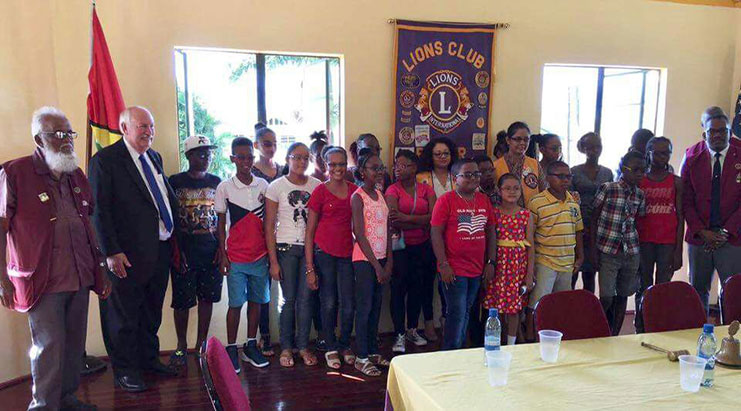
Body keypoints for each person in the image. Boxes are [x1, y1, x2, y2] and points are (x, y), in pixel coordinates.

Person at [0, 106, 111, 410]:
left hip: (79, 273)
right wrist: (2, 280)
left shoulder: (76, 175)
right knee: (48, 347)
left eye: (69, 133)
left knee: (74, 344)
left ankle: (67, 398)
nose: (67, 140)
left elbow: (90, 223)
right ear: (39, 139)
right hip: (43, 280)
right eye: (57, 134)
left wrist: (100, 268)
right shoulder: (14, 173)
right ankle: (44, 406)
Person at [89, 106, 180, 392]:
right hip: (125, 254)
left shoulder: (154, 157)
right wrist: (111, 251)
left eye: (151, 127)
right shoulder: (105, 160)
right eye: (142, 126)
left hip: (159, 249)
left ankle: (148, 359)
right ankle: (125, 370)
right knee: (123, 315)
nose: (148, 132)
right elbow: (99, 210)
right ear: (124, 127)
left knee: (151, 311)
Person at [216, 137, 270, 373]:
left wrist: (269, 252)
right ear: (232, 159)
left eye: (249, 156)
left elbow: (269, 221)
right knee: (236, 303)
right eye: (241, 157)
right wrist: (223, 254)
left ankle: (250, 346)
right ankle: (231, 347)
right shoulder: (224, 187)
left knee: (256, 301)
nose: (246, 161)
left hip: (260, 255)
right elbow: (219, 224)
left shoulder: (263, 185)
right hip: (236, 257)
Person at [167, 135, 222, 370]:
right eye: (201, 153)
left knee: (206, 298)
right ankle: (181, 345)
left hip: (210, 249)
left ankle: (201, 345)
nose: (206, 158)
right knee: (182, 301)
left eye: (209, 153)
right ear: (188, 156)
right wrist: (176, 250)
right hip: (183, 250)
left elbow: (221, 218)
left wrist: (222, 247)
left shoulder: (217, 181)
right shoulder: (175, 181)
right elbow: (169, 218)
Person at [265, 142, 321, 367]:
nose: (301, 162)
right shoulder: (276, 186)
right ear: (287, 159)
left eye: (306, 158)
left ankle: (303, 346)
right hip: (286, 249)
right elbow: (269, 226)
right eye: (296, 157)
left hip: (309, 249)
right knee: (287, 300)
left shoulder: (317, 185)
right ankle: (286, 347)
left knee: (306, 300)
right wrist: (273, 261)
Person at [431, 159, 497, 350]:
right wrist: (443, 264)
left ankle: (458, 352)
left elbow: (491, 231)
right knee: (457, 313)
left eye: (476, 174)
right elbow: (435, 232)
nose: (473, 178)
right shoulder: (446, 200)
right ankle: (450, 355)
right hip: (453, 269)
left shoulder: (484, 200)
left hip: (477, 269)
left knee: (466, 311)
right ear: (455, 178)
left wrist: (491, 262)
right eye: (467, 174)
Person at [682, 106, 741, 313]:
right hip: (700, 238)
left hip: (732, 237)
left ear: (729, 132)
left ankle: (732, 337)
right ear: (704, 133)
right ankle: (698, 335)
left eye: (722, 131)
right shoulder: (691, 156)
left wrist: (726, 231)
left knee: (733, 291)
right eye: (712, 132)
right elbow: (686, 199)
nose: (717, 135)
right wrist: (702, 231)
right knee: (698, 291)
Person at [305, 146, 358, 369]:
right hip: (324, 254)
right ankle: (330, 347)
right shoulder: (320, 191)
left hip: (348, 254)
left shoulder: (355, 190)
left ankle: (344, 344)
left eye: (341, 164)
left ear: (347, 165)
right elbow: (310, 231)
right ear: (326, 166)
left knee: (348, 303)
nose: (337, 168)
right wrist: (310, 267)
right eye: (333, 164)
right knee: (328, 303)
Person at [525, 161, 584, 340]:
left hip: (567, 262)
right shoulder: (536, 202)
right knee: (537, 302)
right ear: (549, 178)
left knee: (560, 303)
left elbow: (578, 230)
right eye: (560, 176)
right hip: (545, 261)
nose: (565, 180)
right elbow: (530, 235)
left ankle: (553, 336)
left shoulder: (573, 202)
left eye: (568, 176)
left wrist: (580, 256)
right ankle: (530, 337)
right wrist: (531, 264)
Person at [386, 149, 437, 353]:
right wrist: (419, 221)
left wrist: (407, 219)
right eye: (396, 165)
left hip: (423, 247)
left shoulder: (426, 190)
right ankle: (399, 333)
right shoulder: (392, 190)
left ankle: (412, 329)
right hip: (400, 249)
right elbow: (394, 219)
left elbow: (434, 219)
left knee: (418, 289)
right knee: (398, 290)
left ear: (414, 167)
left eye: (403, 165)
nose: (398, 169)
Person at [592, 151, 646, 335]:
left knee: (623, 295)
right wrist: (593, 249)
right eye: (636, 170)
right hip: (608, 251)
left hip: (631, 252)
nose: (640, 174)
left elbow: (638, 221)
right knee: (607, 296)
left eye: (643, 170)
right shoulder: (608, 188)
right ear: (624, 169)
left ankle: (614, 333)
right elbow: (594, 218)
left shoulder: (640, 194)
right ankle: (601, 329)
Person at [634, 136, 684, 333]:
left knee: (663, 288)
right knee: (643, 286)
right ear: (649, 153)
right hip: (643, 241)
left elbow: (681, 217)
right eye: (659, 152)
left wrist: (678, 250)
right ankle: (641, 325)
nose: (664, 157)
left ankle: (659, 326)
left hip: (667, 242)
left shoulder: (676, 182)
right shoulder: (640, 180)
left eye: (667, 152)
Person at [351, 152, 392, 376]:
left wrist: (388, 261)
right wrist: (377, 265)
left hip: (381, 259)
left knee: (376, 306)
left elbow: (387, 229)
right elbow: (359, 234)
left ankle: (373, 350)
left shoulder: (380, 194)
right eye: (373, 168)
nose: (378, 171)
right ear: (362, 172)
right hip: (365, 260)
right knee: (364, 308)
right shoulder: (358, 197)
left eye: (380, 167)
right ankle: (361, 356)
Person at [482, 174, 534, 346]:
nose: (512, 192)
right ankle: (494, 342)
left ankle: (511, 346)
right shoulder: (494, 212)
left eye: (516, 188)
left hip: (517, 266)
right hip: (498, 264)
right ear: (499, 190)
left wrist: (529, 274)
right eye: (507, 188)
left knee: (513, 308)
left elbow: (530, 247)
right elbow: (489, 240)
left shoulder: (526, 215)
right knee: (495, 306)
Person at [417, 137, 459, 339]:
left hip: (453, 240)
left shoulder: (458, 176)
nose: (442, 157)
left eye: (446, 153)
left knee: (449, 282)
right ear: (430, 157)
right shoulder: (422, 177)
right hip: (426, 237)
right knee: (425, 283)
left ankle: (446, 318)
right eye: (437, 154)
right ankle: (428, 323)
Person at [251, 123, 281, 356]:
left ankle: (288, 337)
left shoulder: (283, 170)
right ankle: (264, 336)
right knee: (262, 290)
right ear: (257, 145)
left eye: (274, 143)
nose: (272, 148)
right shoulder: (249, 172)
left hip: (285, 233)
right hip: (260, 235)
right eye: (267, 144)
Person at [570, 132, 614, 293]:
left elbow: (610, 200)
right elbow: (570, 202)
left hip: (600, 229)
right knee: (572, 274)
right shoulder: (573, 171)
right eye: (590, 147)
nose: (594, 150)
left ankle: (588, 313)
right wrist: (580, 228)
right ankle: (569, 312)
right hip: (576, 228)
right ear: (583, 148)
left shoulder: (607, 173)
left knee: (590, 275)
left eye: (598, 146)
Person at [493, 122, 546, 208]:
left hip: (532, 215)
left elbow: (544, 192)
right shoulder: (496, 166)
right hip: (505, 216)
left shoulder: (534, 164)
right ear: (508, 140)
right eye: (518, 139)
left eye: (526, 139)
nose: (522, 143)